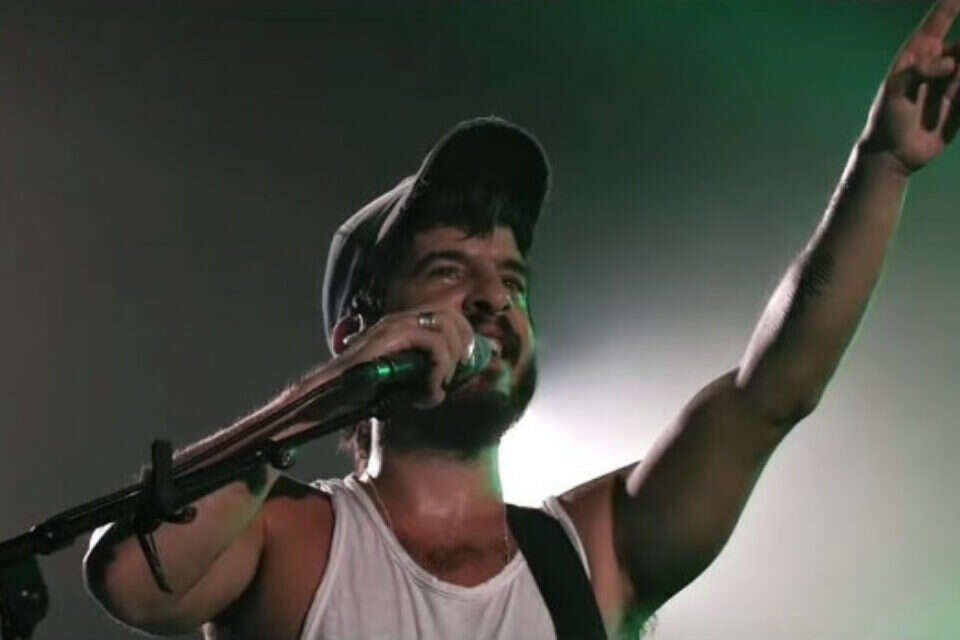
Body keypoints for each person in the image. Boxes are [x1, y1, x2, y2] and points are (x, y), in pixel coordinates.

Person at [83, 2, 960, 638]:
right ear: (356, 331)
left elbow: (772, 393)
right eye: (446, 269)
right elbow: (130, 581)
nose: (493, 299)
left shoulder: (591, 554)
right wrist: (323, 398)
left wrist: (882, 166)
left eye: (513, 279)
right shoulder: (288, 538)